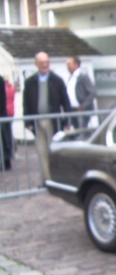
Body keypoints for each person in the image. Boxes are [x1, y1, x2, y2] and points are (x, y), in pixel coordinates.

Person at [23, 52, 71, 185]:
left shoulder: (57, 80)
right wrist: (28, 122)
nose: (45, 65)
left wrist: (67, 121)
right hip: (38, 122)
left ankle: (57, 179)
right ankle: (46, 179)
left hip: (53, 121)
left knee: (53, 150)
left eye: (47, 62)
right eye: (42, 62)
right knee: (41, 151)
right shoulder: (30, 82)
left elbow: (65, 102)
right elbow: (26, 103)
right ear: (36, 64)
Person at [66, 56, 96, 129]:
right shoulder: (71, 77)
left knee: (81, 130)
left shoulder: (83, 77)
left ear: (76, 65)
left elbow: (92, 93)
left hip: (81, 110)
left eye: (69, 64)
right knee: (75, 130)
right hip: (73, 110)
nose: (67, 67)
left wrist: (83, 106)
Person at [1, 75, 15, 170]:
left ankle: (6, 160)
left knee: (5, 138)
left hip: (3, 114)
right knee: (6, 137)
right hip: (6, 113)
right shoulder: (9, 86)